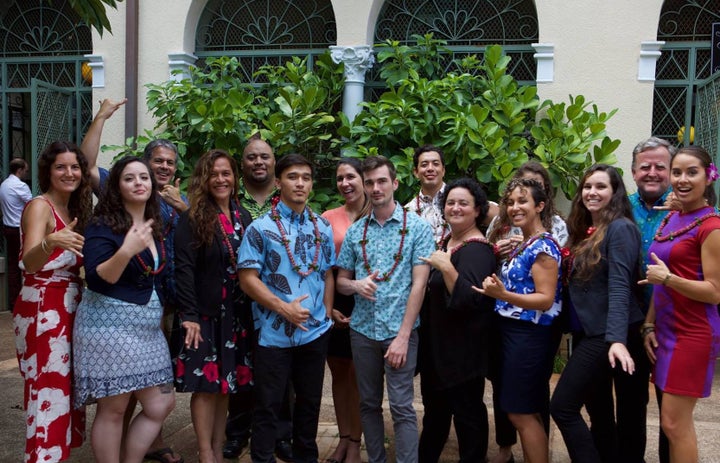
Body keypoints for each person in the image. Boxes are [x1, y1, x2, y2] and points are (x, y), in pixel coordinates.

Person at [81, 99, 186, 463]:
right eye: (132, 176)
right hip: (110, 328)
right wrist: (125, 249)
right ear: (118, 185)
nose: (141, 180)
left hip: (148, 325)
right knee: (113, 408)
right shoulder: (104, 222)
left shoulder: (160, 214)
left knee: (161, 401)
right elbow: (96, 279)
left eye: (145, 176)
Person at [237, 153, 335, 463]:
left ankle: (307, 457)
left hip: (315, 332)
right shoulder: (260, 228)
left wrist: (327, 313)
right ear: (279, 183)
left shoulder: (322, 226)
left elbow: (328, 273)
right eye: (293, 177)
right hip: (273, 334)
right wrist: (283, 308)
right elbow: (247, 278)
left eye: (306, 177)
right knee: (268, 405)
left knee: (309, 404)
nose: (301, 183)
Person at [336, 155, 435, 463]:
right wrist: (356, 286)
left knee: (402, 407)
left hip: (399, 332)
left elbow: (419, 285)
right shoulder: (356, 231)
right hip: (362, 331)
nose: (375, 188)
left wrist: (404, 337)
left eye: (381, 181)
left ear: (394, 183)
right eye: (370, 183)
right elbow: (341, 281)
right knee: (368, 403)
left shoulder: (417, 228)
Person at [550, 164, 643, 462]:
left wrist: (616, 340)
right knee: (599, 411)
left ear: (615, 192)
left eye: (601, 186)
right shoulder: (584, 230)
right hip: (587, 331)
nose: (592, 192)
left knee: (562, 406)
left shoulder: (620, 228)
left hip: (608, 334)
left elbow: (619, 286)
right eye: (587, 186)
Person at [12, 141, 92, 463]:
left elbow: (89, 157)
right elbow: (29, 263)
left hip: (68, 305)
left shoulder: (72, 207)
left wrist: (100, 117)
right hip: (44, 305)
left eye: (75, 167)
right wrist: (49, 241)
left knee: (64, 393)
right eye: (61, 166)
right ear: (48, 171)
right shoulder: (39, 207)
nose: (69, 173)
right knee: (48, 391)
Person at [172, 149, 253, 463]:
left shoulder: (241, 214)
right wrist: (189, 315)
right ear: (204, 179)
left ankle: (219, 450)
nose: (221, 179)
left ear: (234, 178)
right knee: (206, 386)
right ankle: (206, 453)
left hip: (236, 315)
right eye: (214, 174)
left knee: (225, 386)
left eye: (226, 173)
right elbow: (184, 269)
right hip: (204, 315)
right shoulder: (192, 217)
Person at [641, 146, 720, 463]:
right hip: (667, 329)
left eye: (692, 172)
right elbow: (658, 277)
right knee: (670, 423)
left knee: (676, 425)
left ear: (709, 176)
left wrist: (669, 279)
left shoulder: (711, 227)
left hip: (693, 334)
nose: (682, 179)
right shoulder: (672, 216)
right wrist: (649, 323)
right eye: (677, 172)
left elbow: (714, 291)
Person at [475, 178, 562, 463]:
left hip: (528, 336)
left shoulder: (544, 247)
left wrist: (503, 294)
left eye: (522, 201)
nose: (514, 207)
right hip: (513, 333)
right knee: (523, 409)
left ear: (540, 206)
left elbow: (545, 298)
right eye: (510, 202)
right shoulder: (526, 242)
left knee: (520, 412)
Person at [224, 133, 294, 462]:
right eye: (252, 157)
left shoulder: (290, 201)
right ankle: (237, 432)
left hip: (281, 306)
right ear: (243, 164)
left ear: (274, 163)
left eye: (264, 156)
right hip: (239, 301)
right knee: (241, 368)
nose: (258, 162)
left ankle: (282, 435)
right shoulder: (230, 202)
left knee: (282, 374)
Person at [417, 178, 497, 463]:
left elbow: (472, 300)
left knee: (468, 418)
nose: (455, 208)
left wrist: (447, 268)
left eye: (463, 203)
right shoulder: (447, 241)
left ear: (477, 210)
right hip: (438, 349)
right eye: (450, 202)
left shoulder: (478, 250)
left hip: (463, 353)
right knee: (435, 418)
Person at [625, 137, 676, 463]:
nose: (653, 173)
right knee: (629, 406)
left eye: (660, 167)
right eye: (646, 167)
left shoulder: (695, 210)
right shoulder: (620, 206)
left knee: (671, 412)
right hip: (629, 318)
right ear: (633, 171)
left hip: (673, 323)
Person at [321, 158, 369, 463]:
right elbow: (326, 269)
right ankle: (343, 438)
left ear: (364, 179)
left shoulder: (378, 213)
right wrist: (328, 311)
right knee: (339, 373)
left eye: (350, 177)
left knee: (361, 375)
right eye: (340, 179)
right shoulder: (327, 217)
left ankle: (356, 440)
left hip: (368, 299)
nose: (345, 183)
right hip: (337, 299)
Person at [405, 145, 498, 246]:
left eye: (436, 164)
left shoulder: (464, 197)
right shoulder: (408, 212)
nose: (430, 168)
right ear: (416, 172)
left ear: (443, 170)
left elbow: (501, 217)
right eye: (424, 165)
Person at [0, 157, 32, 310]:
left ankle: (14, 303)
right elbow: (31, 205)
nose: (26, 173)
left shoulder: (4, 185)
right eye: (25, 170)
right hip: (19, 229)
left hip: (7, 227)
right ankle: (27, 300)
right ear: (19, 170)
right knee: (28, 263)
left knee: (13, 266)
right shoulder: (21, 186)